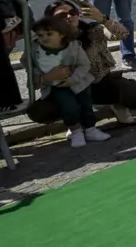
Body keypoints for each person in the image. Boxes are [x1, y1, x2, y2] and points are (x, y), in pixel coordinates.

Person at [25, 0, 136, 125]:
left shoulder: (93, 30)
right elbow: (33, 81)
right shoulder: (42, 44)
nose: (69, 17)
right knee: (39, 112)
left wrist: (103, 18)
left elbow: (123, 34)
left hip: (99, 84)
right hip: (65, 89)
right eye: (62, 15)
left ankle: (116, 106)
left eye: (73, 12)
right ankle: (73, 121)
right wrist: (46, 78)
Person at [26, 16, 111, 148]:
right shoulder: (34, 49)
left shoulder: (74, 46)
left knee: (86, 104)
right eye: (40, 35)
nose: (44, 38)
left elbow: (84, 65)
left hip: (79, 82)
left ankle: (90, 129)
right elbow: (28, 64)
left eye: (49, 34)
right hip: (55, 85)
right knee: (69, 107)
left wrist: (72, 80)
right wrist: (40, 76)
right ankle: (75, 131)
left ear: (62, 34)